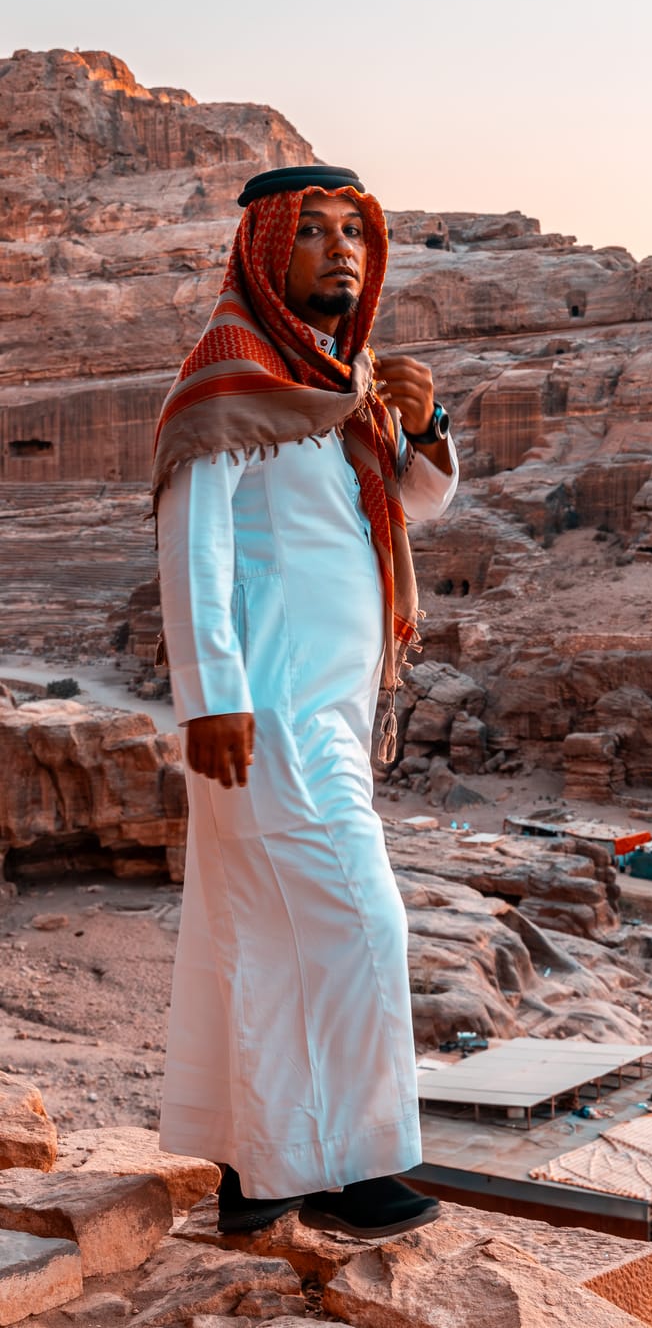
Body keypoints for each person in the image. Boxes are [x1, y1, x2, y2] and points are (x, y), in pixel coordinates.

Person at [152, 164, 458, 1239]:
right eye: (316, 231)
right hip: (267, 711)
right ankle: (360, 1168)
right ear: (267, 250)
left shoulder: (340, 383)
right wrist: (211, 695)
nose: (342, 251)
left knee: (268, 937)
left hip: (329, 710)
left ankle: (261, 1171)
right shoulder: (231, 376)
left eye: (355, 233)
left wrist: (425, 423)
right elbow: (193, 545)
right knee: (364, 917)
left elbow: (411, 503)